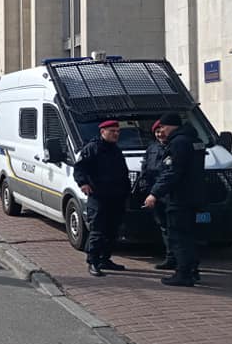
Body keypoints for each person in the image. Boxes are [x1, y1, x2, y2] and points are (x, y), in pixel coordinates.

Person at [145, 112, 206, 287]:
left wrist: (154, 193)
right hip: (195, 196)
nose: (162, 131)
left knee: (179, 237)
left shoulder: (178, 143)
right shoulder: (195, 140)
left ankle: (183, 274)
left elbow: (172, 172)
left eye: (163, 127)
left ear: (171, 126)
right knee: (191, 236)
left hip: (180, 198)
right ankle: (193, 270)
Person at [73, 120, 131, 277]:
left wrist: (126, 191)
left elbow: (122, 172)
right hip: (99, 196)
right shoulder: (93, 148)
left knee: (112, 231)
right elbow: (79, 168)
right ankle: (93, 261)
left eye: (117, 131)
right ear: (102, 132)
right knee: (98, 230)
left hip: (116, 197)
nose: (116, 134)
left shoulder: (115, 149)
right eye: (112, 131)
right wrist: (83, 183)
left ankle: (105, 259)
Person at [139, 120, 172, 270]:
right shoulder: (152, 148)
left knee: (175, 228)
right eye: (157, 132)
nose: (160, 134)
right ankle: (170, 257)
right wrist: (146, 188)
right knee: (164, 227)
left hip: (170, 195)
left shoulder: (174, 147)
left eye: (162, 131)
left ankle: (181, 260)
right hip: (155, 195)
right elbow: (145, 168)